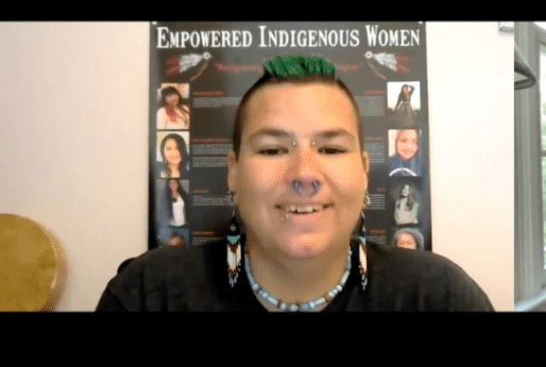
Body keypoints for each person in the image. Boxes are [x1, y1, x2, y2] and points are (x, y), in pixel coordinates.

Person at [97, 55, 492, 311]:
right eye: (272, 150)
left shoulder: (440, 298)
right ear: (232, 170)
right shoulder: (150, 295)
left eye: (332, 149)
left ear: (364, 169)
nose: (304, 174)